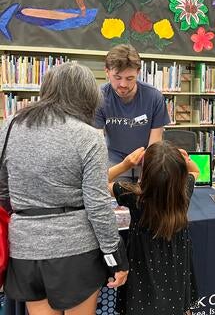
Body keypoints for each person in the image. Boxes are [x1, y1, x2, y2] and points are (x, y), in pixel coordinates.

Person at [0, 63, 128, 315]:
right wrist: (115, 256)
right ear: (87, 95)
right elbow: (97, 205)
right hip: (75, 251)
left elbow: (3, 192)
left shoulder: (10, 126)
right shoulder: (89, 136)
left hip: (25, 248)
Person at [108, 142, 200, 315]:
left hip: (143, 266)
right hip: (176, 265)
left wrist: (125, 164)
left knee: (144, 302)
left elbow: (97, 183)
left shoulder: (132, 195)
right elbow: (196, 171)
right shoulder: (183, 191)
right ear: (180, 174)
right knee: (177, 301)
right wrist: (186, 160)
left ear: (145, 173)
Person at [95, 44, 171, 181]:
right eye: (117, 77)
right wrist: (123, 167)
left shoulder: (154, 97)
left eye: (129, 78)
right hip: (114, 162)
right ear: (106, 72)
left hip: (146, 160)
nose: (123, 84)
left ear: (138, 72)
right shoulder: (98, 97)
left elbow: (154, 145)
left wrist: (146, 176)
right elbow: (96, 144)